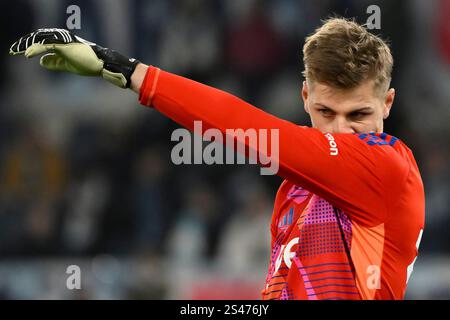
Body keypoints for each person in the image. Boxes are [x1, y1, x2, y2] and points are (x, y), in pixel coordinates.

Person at [10, 17, 425, 300]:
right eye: (325, 113)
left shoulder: (387, 167)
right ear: (305, 99)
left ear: (387, 103)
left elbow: (247, 128)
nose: (338, 132)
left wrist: (128, 71)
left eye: (358, 116)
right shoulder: (294, 193)